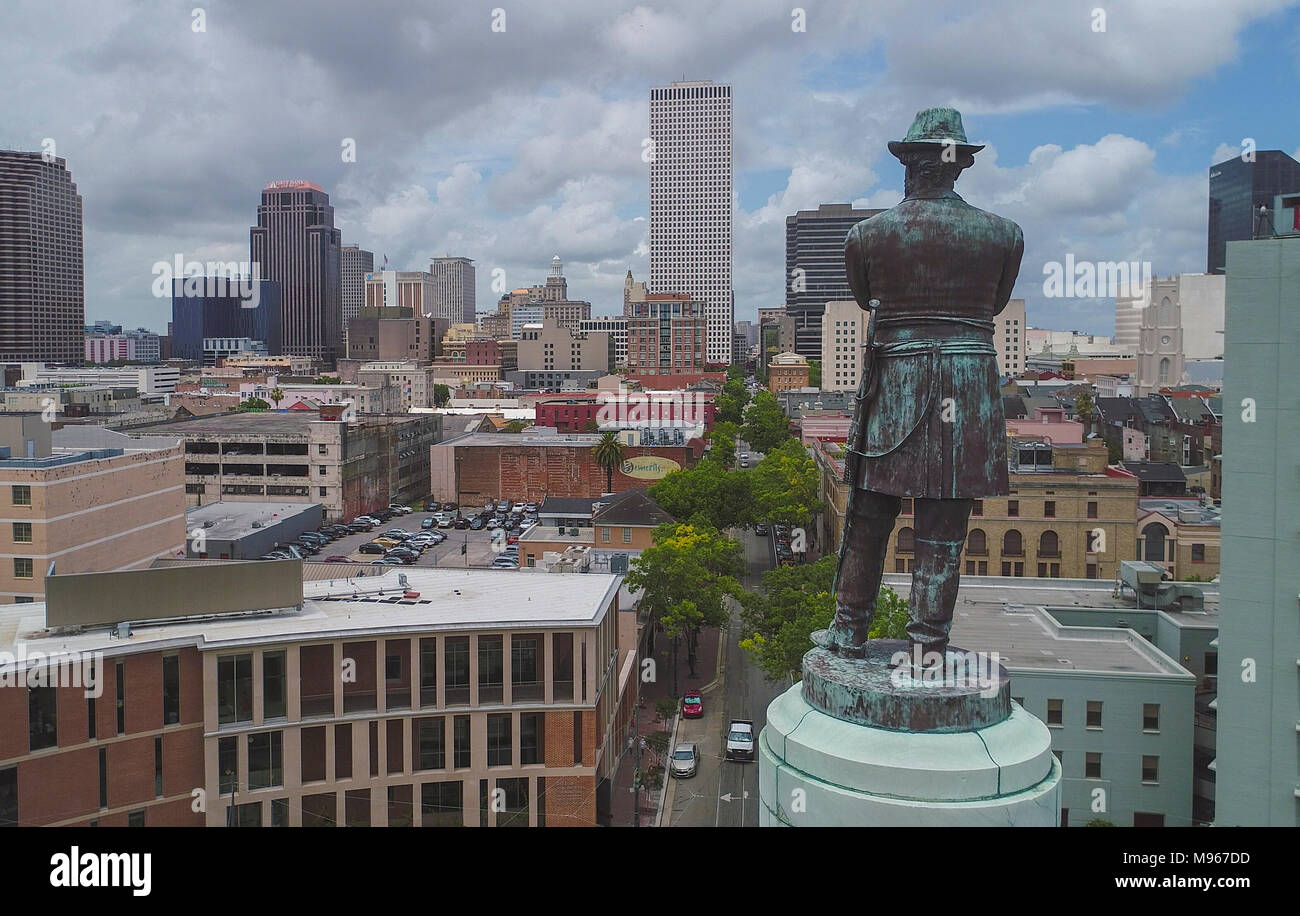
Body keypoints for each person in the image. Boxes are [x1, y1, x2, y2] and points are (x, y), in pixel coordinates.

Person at [825, 108, 1024, 660]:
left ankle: (847, 631)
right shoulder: (1005, 236)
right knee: (945, 525)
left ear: (909, 163)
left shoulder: (868, 236)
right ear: (960, 164)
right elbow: (994, 305)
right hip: (970, 384)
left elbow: (867, 300)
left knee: (868, 514)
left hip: (896, 380)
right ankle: (928, 645)